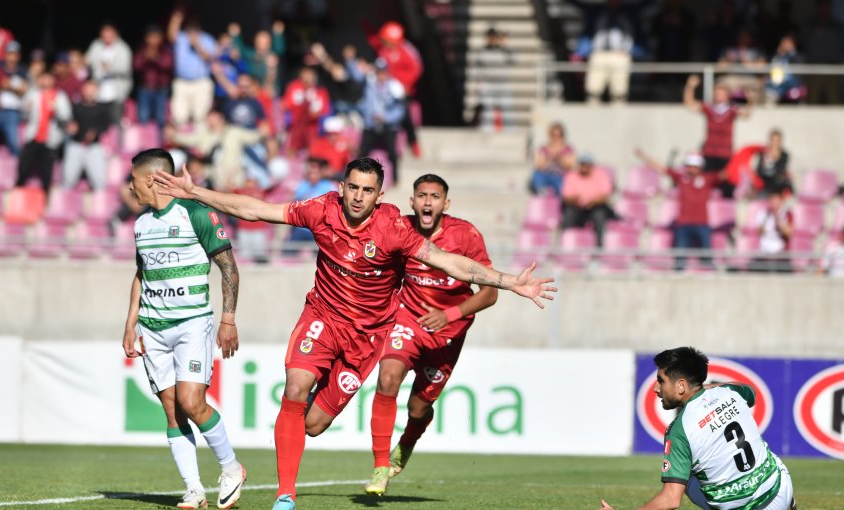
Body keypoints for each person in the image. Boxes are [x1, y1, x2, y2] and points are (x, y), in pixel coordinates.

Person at [152, 157, 557, 510]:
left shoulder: (393, 228)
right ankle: (285, 495)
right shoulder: (320, 210)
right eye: (354, 188)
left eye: (369, 190)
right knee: (295, 387)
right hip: (323, 318)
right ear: (341, 188)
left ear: (380, 195)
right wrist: (197, 192)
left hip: (366, 338)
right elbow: (256, 209)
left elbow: (451, 263)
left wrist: (509, 282)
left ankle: (317, 409)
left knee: (312, 424)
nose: (359, 197)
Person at [122, 149, 246, 510]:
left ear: (150, 179)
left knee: (192, 402)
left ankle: (231, 467)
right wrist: (130, 323)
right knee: (172, 410)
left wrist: (228, 319)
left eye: (133, 181)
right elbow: (141, 275)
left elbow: (229, 267)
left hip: (192, 323)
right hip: (153, 329)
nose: (130, 189)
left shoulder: (196, 212)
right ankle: (194, 490)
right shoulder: (141, 224)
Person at [363, 173, 498, 495]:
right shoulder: (401, 228)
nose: (427, 201)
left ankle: (408, 441)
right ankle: (380, 465)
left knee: (418, 408)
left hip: (447, 333)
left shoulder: (464, 235)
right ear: (412, 201)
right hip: (407, 320)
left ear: (445, 204)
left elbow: (490, 293)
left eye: (434, 196)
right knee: (387, 377)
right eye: (421, 195)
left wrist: (448, 315)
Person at [599, 347, 796, 510]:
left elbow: (670, 500)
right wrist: (703, 391)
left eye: (661, 381)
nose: (656, 388)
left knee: (686, 476)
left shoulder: (679, 430)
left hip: (743, 507)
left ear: (681, 386)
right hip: (779, 488)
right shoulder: (730, 393)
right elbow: (749, 391)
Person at [635, 149, 720, 271]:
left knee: (707, 257)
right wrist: (644, 156)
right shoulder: (681, 178)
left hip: (702, 224)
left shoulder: (707, 179)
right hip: (683, 224)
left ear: (700, 167)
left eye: (694, 166)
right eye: (689, 166)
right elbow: (661, 168)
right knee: (680, 258)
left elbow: (725, 174)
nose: (690, 169)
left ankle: (713, 276)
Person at [570, 0, 653, 104]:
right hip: (599, 54)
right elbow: (579, 5)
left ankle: (619, 110)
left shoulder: (629, 12)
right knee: (593, 90)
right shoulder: (596, 12)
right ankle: (592, 109)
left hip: (620, 55)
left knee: (619, 93)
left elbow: (647, 5)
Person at [683, 74, 750, 198]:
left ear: (727, 96)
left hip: (725, 155)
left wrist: (749, 99)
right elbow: (689, 103)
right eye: (716, 93)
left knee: (727, 188)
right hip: (710, 154)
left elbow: (747, 114)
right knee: (706, 186)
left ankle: (727, 215)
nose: (718, 96)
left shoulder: (732, 111)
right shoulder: (709, 109)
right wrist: (690, 87)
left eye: (721, 93)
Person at [369, 21, 422, 157]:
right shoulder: (383, 51)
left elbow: (416, 69)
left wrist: (404, 84)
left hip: (403, 92)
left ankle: (413, 143)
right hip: (386, 92)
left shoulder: (407, 50)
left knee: (406, 119)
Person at [353, 58, 405, 184]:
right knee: (362, 151)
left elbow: (400, 110)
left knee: (392, 153)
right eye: (378, 71)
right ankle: (356, 176)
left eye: (383, 72)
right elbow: (355, 75)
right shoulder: (370, 84)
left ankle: (396, 179)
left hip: (388, 126)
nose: (381, 74)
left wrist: (386, 117)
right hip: (371, 124)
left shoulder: (395, 87)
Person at [17, 72, 71, 194]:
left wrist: (56, 110)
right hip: (33, 136)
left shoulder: (60, 96)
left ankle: (45, 198)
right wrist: (27, 108)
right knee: (23, 167)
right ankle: (18, 192)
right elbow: (23, 113)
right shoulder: (33, 93)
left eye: (48, 78)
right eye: (43, 78)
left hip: (50, 139)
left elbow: (66, 117)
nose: (46, 81)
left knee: (47, 172)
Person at [168, 11, 217, 127]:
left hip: (201, 83)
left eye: (194, 30)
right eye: (189, 30)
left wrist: (197, 45)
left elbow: (209, 58)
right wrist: (175, 20)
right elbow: (171, 36)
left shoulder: (208, 39)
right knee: (179, 116)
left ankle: (199, 144)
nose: (191, 33)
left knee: (200, 117)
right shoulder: (182, 38)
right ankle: (181, 143)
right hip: (182, 82)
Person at [801, 0, 844, 105]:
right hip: (814, 68)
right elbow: (802, 44)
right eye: (823, 6)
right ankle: (808, 120)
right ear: (818, 8)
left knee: (834, 99)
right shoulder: (810, 25)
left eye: (827, 7)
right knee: (812, 99)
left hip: (833, 68)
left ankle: (838, 121)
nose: (825, 9)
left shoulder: (836, 26)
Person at [62, 80, 111, 190]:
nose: (89, 93)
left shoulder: (102, 108)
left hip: (94, 147)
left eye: (92, 90)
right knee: (68, 180)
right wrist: (69, 126)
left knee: (99, 182)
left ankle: (100, 205)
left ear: (96, 91)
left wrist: (95, 132)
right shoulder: (75, 106)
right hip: (76, 145)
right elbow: (67, 122)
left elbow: (106, 125)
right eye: (87, 90)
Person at [85, 22, 133, 129]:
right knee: (99, 121)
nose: (106, 37)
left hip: (116, 93)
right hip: (99, 92)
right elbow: (88, 60)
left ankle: (116, 144)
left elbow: (125, 68)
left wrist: (109, 67)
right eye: (104, 34)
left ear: (115, 34)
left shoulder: (123, 48)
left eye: (109, 34)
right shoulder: (96, 45)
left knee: (116, 121)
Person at [561, 154, 614, 247]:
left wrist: (593, 202)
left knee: (600, 215)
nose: (584, 167)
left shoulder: (600, 175)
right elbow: (566, 197)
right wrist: (575, 200)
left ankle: (599, 247)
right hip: (576, 208)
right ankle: (566, 245)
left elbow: (606, 196)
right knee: (568, 214)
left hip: (595, 207)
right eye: (582, 164)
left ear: (591, 165)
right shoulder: (572, 176)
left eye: (587, 165)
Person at [281, 66, 329, 156]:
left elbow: (324, 110)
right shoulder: (294, 86)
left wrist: (316, 112)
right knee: (292, 147)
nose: (308, 77)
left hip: (312, 126)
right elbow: (285, 104)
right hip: (295, 125)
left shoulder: (320, 91)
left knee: (313, 150)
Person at [472, 27, 513, 132]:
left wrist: (504, 45)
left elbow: (513, 59)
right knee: (487, 109)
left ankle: (508, 131)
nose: (491, 39)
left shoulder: (503, 51)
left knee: (506, 108)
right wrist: (478, 83)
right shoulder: (482, 51)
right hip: (488, 83)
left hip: (502, 83)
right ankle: (487, 130)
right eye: (489, 37)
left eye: (493, 37)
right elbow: (478, 68)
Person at [133, 24, 174, 131]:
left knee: (161, 118)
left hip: (161, 90)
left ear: (161, 38)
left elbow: (168, 65)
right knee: (143, 117)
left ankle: (159, 146)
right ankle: (145, 145)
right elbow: (136, 66)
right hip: (145, 89)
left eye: (156, 37)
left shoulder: (165, 50)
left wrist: (157, 59)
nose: (153, 40)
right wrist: (145, 58)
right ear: (146, 38)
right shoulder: (142, 50)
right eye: (151, 37)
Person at [716, 28, 767, 106]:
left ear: (750, 38)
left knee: (756, 89)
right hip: (732, 78)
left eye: (745, 36)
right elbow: (720, 67)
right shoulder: (729, 50)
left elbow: (762, 67)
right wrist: (730, 61)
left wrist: (747, 62)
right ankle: (723, 111)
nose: (742, 39)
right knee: (721, 85)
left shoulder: (757, 51)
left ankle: (755, 112)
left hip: (750, 79)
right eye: (741, 37)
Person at [749, 190, 794, 273]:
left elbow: (789, 233)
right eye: (772, 201)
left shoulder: (787, 214)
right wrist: (766, 219)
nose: (774, 204)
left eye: (776, 201)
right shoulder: (763, 214)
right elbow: (760, 232)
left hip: (780, 251)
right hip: (764, 251)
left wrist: (778, 221)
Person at [530, 122, 575, 196]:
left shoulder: (568, 149)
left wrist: (559, 158)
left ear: (562, 136)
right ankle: (541, 191)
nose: (556, 138)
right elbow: (539, 166)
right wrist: (550, 158)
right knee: (537, 174)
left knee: (562, 185)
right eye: (553, 135)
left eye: (559, 135)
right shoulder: (543, 148)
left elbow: (571, 166)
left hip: (560, 176)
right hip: (546, 175)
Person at [765, 35, 803, 106]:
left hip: (792, 81)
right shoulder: (777, 56)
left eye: (788, 43)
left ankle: (774, 96)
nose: (785, 45)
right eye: (784, 43)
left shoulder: (796, 56)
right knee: (769, 85)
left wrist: (791, 52)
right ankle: (770, 101)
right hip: (777, 80)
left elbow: (798, 63)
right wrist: (780, 54)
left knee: (780, 86)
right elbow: (773, 65)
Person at [755, 129, 792, 197]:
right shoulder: (763, 153)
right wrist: (765, 162)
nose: (775, 143)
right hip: (764, 183)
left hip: (776, 184)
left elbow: (781, 170)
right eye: (773, 140)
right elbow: (758, 170)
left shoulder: (784, 155)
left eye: (777, 140)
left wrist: (775, 158)